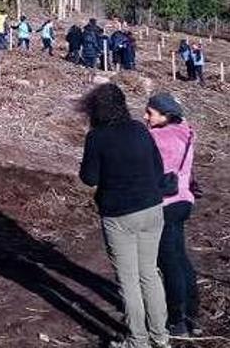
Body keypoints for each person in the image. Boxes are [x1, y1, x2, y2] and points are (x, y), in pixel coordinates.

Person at [78, 83, 170, 348]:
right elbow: (158, 168)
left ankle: (138, 341)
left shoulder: (96, 138)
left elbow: (89, 178)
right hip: (152, 209)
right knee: (150, 274)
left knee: (129, 281)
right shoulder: (140, 130)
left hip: (119, 215)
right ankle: (161, 337)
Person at [144, 93, 201, 338]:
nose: (145, 116)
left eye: (150, 112)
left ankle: (176, 320)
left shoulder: (158, 138)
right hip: (184, 201)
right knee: (180, 257)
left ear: (166, 115)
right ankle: (192, 313)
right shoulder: (185, 132)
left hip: (165, 204)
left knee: (169, 263)